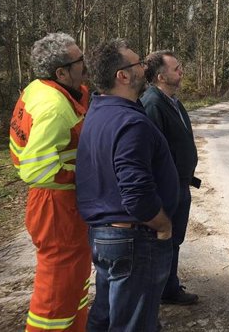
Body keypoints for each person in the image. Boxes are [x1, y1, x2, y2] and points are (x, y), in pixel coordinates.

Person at [76, 39, 179, 332]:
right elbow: (136, 192)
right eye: (138, 65)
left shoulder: (98, 111)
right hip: (133, 239)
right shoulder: (131, 123)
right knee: (134, 324)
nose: (144, 69)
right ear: (123, 75)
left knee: (106, 317)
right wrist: (162, 224)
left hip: (106, 237)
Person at [9, 32, 91, 332]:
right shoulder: (54, 107)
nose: (85, 65)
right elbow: (35, 169)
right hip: (56, 206)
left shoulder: (39, 89)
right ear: (61, 72)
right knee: (55, 294)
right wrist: (86, 176)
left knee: (75, 282)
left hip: (64, 204)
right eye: (79, 60)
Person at [141, 51, 199, 305]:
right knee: (163, 241)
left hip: (179, 185)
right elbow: (153, 153)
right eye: (176, 68)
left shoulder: (171, 100)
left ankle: (167, 287)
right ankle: (161, 292)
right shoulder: (153, 103)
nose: (181, 71)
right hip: (168, 189)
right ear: (161, 76)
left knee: (174, 239)